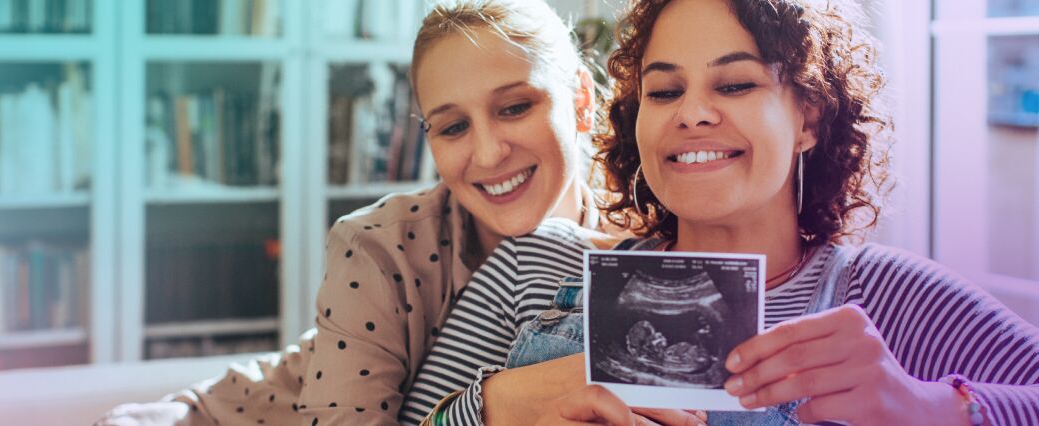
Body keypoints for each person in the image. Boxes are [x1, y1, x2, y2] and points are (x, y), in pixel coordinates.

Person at [403, 0, 1039, 425]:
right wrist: (496, 404)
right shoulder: (539, 265)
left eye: (735, 84)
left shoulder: (883, 296)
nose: (692, 113)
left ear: (808, 117)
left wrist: (932, 405)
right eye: (665, 90)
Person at [96, 1, 623, 424]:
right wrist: (490, 405)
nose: (487, 155)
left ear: (580, 99)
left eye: (514, 107)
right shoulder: (376, 243)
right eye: (453, 127)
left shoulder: (640, 243)